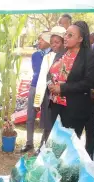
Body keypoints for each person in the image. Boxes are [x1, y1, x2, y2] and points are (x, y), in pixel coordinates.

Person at [48, 21, 94, 157]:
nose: (66, 37)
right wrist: (50, 84)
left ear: (80, 39)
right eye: (66, 34)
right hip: (56, 106)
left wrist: (62, 88)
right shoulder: (61, 54)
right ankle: (53, 172)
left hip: (74, 109)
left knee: (69, 148)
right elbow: (50, 73)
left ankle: (67, 176)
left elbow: (89, 83)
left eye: (70, 35)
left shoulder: (90, 56)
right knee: (55, 144)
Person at [33, 26, 66, 155]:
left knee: (61, 127)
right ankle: (44, 149)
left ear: (64, 42)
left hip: (64, 97)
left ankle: (58, 153)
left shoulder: (69, 57)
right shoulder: (48, 57)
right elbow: (42, 78)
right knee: (48, 125)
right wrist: (37, 101)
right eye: (52, 43)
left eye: (57, 42)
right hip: (49, 96)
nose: (54, 45)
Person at [20, 33, 51, 153]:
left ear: (49, 41)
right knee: (30, 116)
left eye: (41, 40)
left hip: (48, 89)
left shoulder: (54, 54)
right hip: (35, 87)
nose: (39, 42)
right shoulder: (36, 55)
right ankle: (29, 143)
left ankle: (42, 145)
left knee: (46, 117)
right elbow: (38, 71)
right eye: (38, 39)